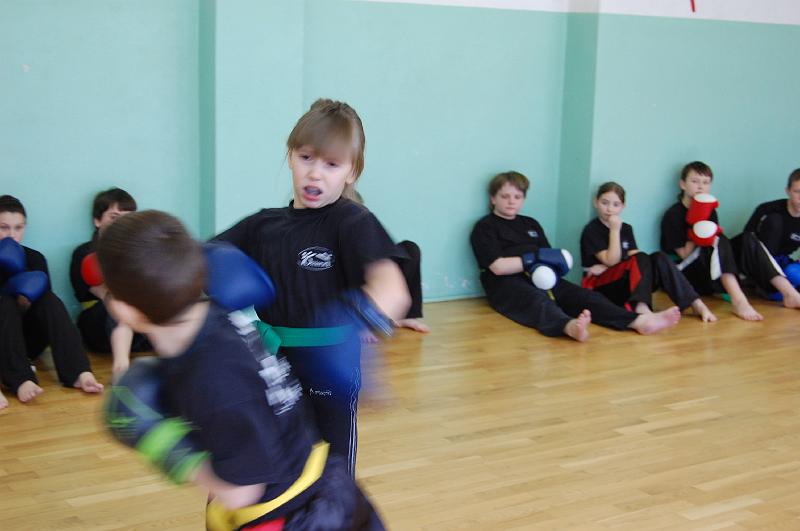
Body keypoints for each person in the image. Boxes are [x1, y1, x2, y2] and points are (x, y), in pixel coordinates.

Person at [98, 210, 385, 530]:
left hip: (296, 515)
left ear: (122, 310)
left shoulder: (213, 380)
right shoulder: (218, 317)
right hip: (318, 482)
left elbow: (241, 493)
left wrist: (168, 449)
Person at [213, 99, 410, 475]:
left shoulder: (352, 222)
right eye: (306, 158)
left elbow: (393, 289)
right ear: (290, 156)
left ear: (352, 172)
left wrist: (357, 319)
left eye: (332, 164)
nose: (315, 174)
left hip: (328, 369)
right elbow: (200, 262)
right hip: (270, 363)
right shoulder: (262, 226)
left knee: (330, 470)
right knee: (259, 459)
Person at [470, 171, 680, 343]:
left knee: (584, 296)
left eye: (517, 197)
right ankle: (569, 327)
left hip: (540, 275)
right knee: (536, 300)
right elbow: (497, 267)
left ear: (523, 199)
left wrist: (555, 264)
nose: (511, 202)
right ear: (493, 198)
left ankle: (638, 321)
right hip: (505, 282)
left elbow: (548, 258)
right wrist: (534, 258)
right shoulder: (485, 227)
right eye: (505, 196)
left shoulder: (530, 224)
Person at [0, 195, 103, 404]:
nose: (12, 235)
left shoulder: (34, 258)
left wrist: (24, 298)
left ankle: (78, 372)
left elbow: (44, 312)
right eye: (4, 228)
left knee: (49, 299)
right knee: (5, 303)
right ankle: (21, 380)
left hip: (27, 342)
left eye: (18, 228)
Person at [660, 161, 788, 320]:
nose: (700, 187)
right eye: (695, 181)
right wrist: (697, 225)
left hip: (710, 270)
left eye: (705, 182)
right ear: (683, 184)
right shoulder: (673, 215)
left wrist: (704, 218)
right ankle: (739, 301)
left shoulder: (710, 211)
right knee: (719, 239)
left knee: (747, 238)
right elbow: (685, 255)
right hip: (688, 274)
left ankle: (789, 292)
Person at [581, 182, 716, 322]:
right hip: (602, 286)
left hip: (622, 280)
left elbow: (635, 257)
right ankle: (641, 308)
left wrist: (616, 264)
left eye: (616, 205)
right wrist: (615, 230)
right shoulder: (592, 230)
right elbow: (612, 261)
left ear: (622, 207)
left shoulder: (626, 228)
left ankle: (695, 303)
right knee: (641, 258)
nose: (609, 209)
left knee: (658, 257)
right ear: (596, 202)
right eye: (604, 203)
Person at [69, 187, 150, 378]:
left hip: (137, 325)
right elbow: (107, 295)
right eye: (114, 217)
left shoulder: (141, 251)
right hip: (99, 324)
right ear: (97, 221)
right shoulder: (85, 253)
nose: (121, 224)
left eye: (128, 218)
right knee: (118, 300)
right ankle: (121, 369)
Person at [352, 190, 428, 333]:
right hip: (351, 271)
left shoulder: (364, 225)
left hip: (372, 265)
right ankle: (360, 322)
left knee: (410, 249)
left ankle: (406, 316)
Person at [735, 168, 800, 307]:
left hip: (782, 264)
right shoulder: (767, 209)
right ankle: (777, 287)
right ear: (788, 191)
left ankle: (781, 289)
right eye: (797, 192)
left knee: (793, 272)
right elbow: (747, 241)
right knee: (774, 221)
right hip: (759, 262)